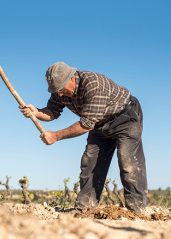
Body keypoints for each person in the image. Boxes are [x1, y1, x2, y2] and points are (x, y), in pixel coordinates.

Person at [20, 62, 147, 213]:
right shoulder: (59, 91)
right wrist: (36, 112)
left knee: (128, 161)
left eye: (61, 89)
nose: (59, 94)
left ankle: (136, 210)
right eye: (55, 90)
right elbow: (52, 112)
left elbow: (85, 125)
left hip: (125, 117)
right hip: (99, 123)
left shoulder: (93, 85)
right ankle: (85, 208)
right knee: (90, 162)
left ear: (72, 78)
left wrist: (55, 135)